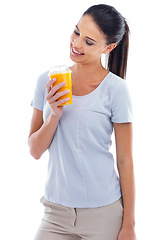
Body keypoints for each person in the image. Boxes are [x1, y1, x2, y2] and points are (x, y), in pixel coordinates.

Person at [28, 4, 136, 240]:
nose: (76, 44)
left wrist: (129, 225)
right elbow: (35, 150)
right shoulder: (46, 81)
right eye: (77, 32)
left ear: (109, 47)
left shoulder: (116, 90)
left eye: (89, 42)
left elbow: (125, 160)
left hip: (104, 214)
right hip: (55, 213)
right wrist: (54, 114)